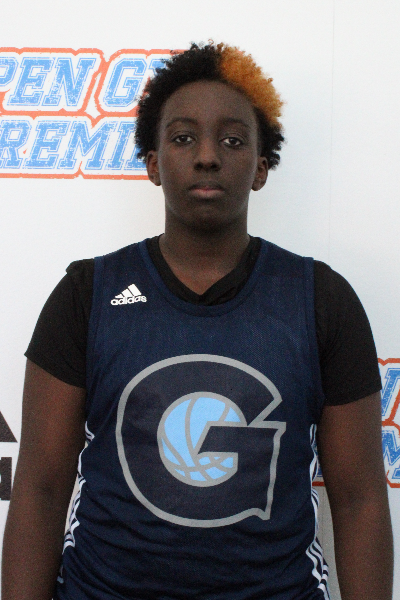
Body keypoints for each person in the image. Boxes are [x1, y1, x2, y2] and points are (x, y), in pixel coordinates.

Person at [2, 42, 393, 600]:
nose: (207, 156)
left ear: (261, 168)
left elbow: (358, 501)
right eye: (183, 138)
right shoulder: (86, 295)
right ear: (153, 163)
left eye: (232, 140)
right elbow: (40, 490)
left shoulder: (322, 300)